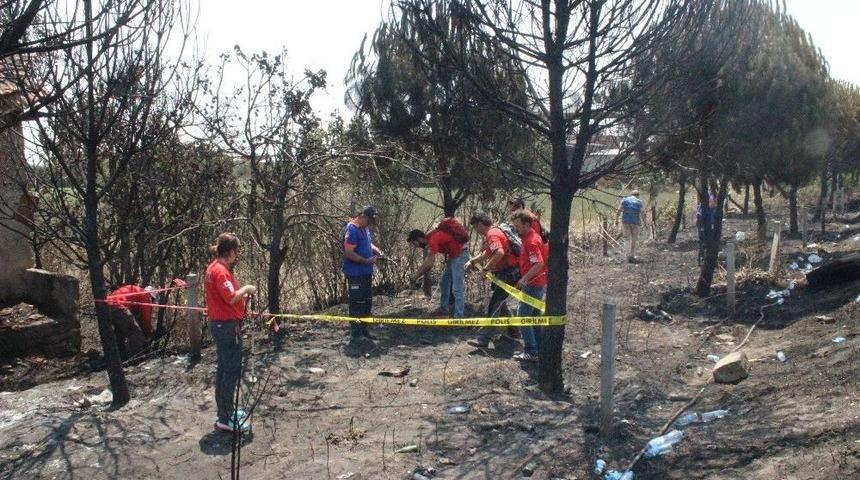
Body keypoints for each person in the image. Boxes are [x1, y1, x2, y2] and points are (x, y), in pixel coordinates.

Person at [205, 232, 257, 433]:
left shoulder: (214, 268)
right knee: (231, 370)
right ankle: (225, 417)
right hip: (226, 327)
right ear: (232, 251)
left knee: (224, 369)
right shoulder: (220, 272)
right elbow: (231, 297)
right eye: (237, 251)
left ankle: (225, 411)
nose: (238, 255)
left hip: (222, 324)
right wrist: (246, 289)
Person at [465, 211, 521, 348]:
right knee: (501, 304)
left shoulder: (492, 234)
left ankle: (483, 339)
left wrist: (485, 269)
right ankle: (515, 332)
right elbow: (488, 253)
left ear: (480, 224)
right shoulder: (496, 230)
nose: (476, 231)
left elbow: (499, 252)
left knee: (494, 304)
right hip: (511, 271)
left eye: (475, 227)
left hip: (509, 273)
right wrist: (472, 261)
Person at [408, 217, 470, 318]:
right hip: (454, 255)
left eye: (415, 243)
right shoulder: (430, 238)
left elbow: (429, 262)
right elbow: (428, 260)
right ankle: (444, 310)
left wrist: (416, 276)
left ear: (419, 239)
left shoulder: (433, 239)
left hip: (460, 255)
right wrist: (417, 274)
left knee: (457, 288)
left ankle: (459, 317)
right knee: (444, 282)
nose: (416, 246)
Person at [342, 205, 386, 347]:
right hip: (355, 273)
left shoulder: (364, 228)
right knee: (357, 303)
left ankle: (364, 330)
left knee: (367, 301)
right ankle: (356, 334)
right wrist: (366, 260)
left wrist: (376, 250)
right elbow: (349, 253)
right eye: (369, 221)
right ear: (362, 216)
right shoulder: (352, 229)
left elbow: (368, 243)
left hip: (366, 272)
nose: (370, 225)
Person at [509, 210, 547, 362]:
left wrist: (524, 279)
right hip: (536, 283)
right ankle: (539, 348)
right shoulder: (528, 238)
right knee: (534, 316)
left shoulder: (531, 241)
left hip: (533, 285)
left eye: (517, 226)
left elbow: (538, 263)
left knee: (523, 315)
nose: (515, 229)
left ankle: (531, 350)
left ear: (526, 224)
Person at [106, 284, 157, 360]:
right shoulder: (145, 295)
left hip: (107, 307)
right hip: (118, 306)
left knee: (119, 334)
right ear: (151, 296)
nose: (151, 302)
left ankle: (120, 359)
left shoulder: (135, 291)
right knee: (136, 334)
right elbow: (146, 317)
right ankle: (137, 360)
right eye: (152, 300)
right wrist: (148, 332)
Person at [618, 190, 643, 263]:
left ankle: (627, 256)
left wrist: (616, 220)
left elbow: (619, 210)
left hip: (625, 221)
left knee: (626, 239)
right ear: (638, 195)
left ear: (631, 194)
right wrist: (645, 223)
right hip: (635, 222)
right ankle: (632, 254)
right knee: (634, 239)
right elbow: (643, 213)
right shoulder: (639, 201)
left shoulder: (624, 200)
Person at [696, 192, 717, 265]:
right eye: (711, 202)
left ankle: (710, 258)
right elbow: (700, 221)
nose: (713, 203)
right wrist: (702, 228)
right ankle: (702, 258)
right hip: (703, 228)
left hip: (711, 228)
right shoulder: (702, 210)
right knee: (703, 242)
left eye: (714, 202)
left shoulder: (713, 210)